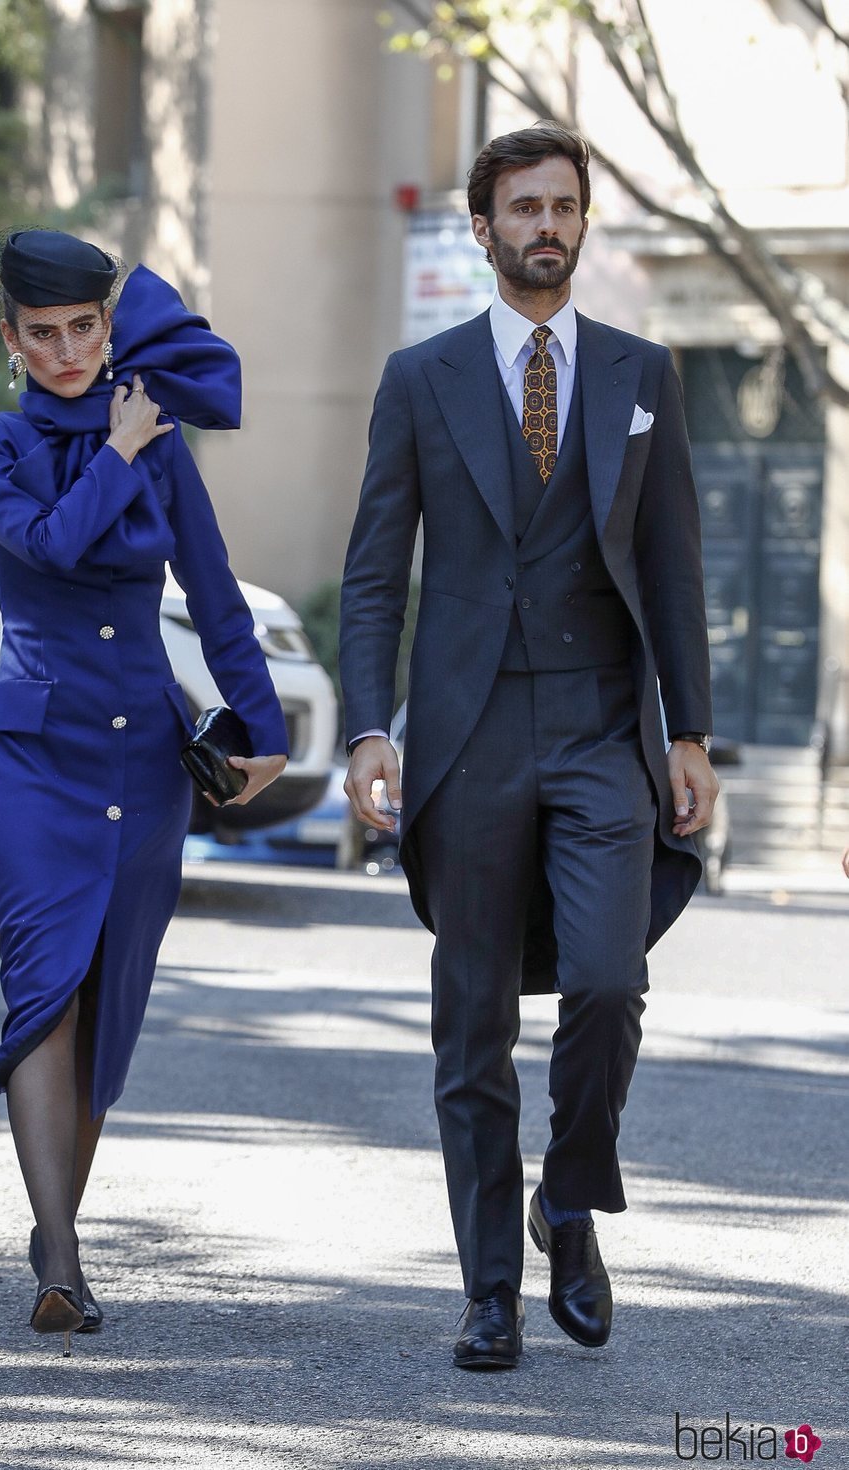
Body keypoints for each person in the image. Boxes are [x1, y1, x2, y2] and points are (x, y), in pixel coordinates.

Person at [340, 125, 718, 1370]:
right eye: (521, 206)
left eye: (561, 204)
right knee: (472, 1023)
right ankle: (489, 1289)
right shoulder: (419, 377)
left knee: (609, 982)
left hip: (603, 728)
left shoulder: (639, 374)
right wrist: (366, 727)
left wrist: (692, 734)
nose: (543, 223)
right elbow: (373, 573)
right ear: (483, 226)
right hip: (466, 735)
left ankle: (571, 1194)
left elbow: (669, 566)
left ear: (581, 220)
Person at [0, 228, 288, 1354]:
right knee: (44, 988)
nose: (62, 351)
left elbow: (214, 591)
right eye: (39, 334)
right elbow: (45, 548)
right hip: (31, 764)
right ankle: (61, 1256)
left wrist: (266, 727)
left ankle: (60, 1240)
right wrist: (119, 451)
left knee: (105, 1009)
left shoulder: (160, 442)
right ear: (11, 339)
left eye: (81, 330)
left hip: (145, 769)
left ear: (106, 327)